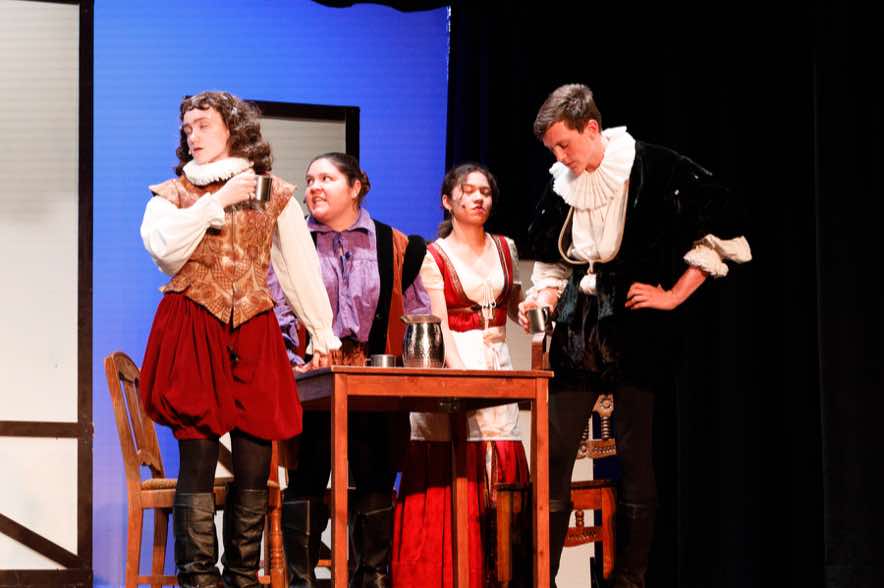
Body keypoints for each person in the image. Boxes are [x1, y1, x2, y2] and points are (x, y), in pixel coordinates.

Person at [519, 84, 752, 588]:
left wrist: (673, 294)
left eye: (565, 145)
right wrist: (543, 297)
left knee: (635, 459)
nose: (560, 158)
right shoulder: (562, 183)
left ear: (591, 128)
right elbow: (553, 261)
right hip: (577, 326)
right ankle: (540, 578)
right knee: (554, 456)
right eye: (554, 150)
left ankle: (631, 578)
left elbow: (721, 229)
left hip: (633, 325)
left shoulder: (653, 166)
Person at [139, 91, 340, 588]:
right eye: (188, 128)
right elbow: (164, 252)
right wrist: (217, 201)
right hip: (193, 323)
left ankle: (242, 578)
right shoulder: (174, 193)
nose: (194, 135)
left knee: (255, 459)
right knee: (198, 455)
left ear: (232, 128)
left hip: (252, 324)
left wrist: (321, 330)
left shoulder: (273, 192)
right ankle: (198, 580)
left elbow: (297, 265)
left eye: (203, 125)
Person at [268, 152, 430, 588]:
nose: (314, 187)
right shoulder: (292, 243)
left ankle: (371, 578)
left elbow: (418, 312)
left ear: (355, 187)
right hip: (312, 384)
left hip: (376, 385)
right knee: (306, 478)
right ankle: (302, 581)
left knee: (375, 478)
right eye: (309, 180)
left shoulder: (394, 244)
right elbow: (277, 309)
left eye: (326, 178)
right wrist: (295, 362)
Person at [392, 163, 530, 588]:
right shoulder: (434, 256)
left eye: (484, 192)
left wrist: (529, 311)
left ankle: (498, 570)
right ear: (447, 201)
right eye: (468, 191)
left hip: (497, 357)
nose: (477, 198)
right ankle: (444, 572)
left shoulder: (506, 248)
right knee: (451, 449)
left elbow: (513, 303)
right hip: (457, 358)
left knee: (499, 443)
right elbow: (440, 324)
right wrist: (456, 378)